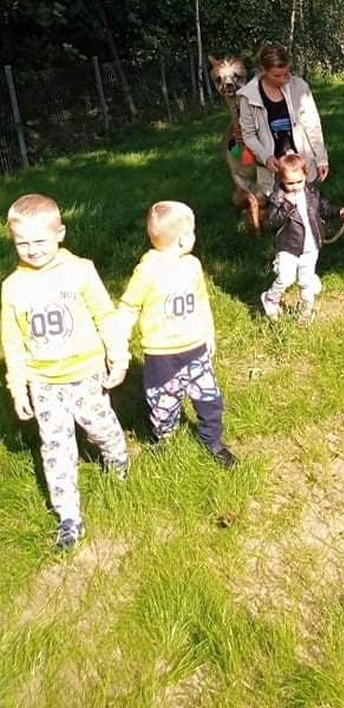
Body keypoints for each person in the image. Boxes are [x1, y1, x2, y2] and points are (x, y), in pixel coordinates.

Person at [1, 193, 129, 550]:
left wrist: (118, 357)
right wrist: (18, 387)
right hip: (44, 383)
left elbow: (105, 315)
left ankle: (117, 458)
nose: (32, 250)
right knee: (55, 448)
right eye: (22, 243)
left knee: (101, 427)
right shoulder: (11, 288)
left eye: (40, 241)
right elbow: (12, 344)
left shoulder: (81, 271)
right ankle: (68, 517)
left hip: (86, 374)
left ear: (60, 233)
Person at [115, 201, 236, 468]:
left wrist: (208, 333)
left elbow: (201, 301)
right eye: (192, 232)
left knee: (210, 398)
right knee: (163, 404)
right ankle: (165, 438)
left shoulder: (192, 266)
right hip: (162, 355)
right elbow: (129, 306)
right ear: (184, 238)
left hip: (195, 348)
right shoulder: (147, 271)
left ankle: (212, 440)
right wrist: (118, 342)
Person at [260, 153, 344, 322]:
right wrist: (287, 205)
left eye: (299, 181)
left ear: (306, 175)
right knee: (286, 277)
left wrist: (339, 211)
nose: (295, 186)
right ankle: (271, 297)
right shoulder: (278, 198)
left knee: (306, 280)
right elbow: (270, 222)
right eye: (290, 183)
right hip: (289, 246)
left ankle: (306, 309)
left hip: (310, 245)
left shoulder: (312, 193)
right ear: (281, 179)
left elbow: (324, 208)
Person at [237, 42, 329, 195]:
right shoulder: (248, 97)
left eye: (286, 73)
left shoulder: (300, 87)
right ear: (263, 70)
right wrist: (265, 157)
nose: (283, 79)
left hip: (300, 161)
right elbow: (249, 135)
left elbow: (313, 126)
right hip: (273, 166)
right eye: (277, 75)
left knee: (308, 202)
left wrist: (321, 159)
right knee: (277, 205)